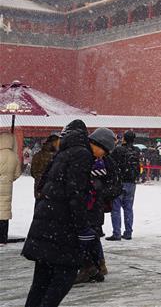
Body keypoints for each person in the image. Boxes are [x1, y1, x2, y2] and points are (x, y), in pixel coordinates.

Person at [22, 120, 93, 307]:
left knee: (40, 282)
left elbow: (43, 185)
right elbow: (76, 195)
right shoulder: (81, 155)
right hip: (63, 229)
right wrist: (82, 228)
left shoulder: (61, 154)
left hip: (46, 224)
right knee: (63, 278)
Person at [74, 127, 120, 284]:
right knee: (90, 236)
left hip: (94, 205)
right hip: (86, 204)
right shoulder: (86, 157)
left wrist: (99, 192)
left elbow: (115, 185)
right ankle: (94, 266)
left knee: (90, 235)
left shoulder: (107, 161)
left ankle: (95, 266)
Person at [107, 130, 141, 241]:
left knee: (116, 209)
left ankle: (116, 233)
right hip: (131, 183)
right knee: (128, 208)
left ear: (124, 138)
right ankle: (128, 232)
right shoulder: (136, 150)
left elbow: (110, 163)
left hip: (119, 182)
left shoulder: (118, 150)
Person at [1, 131, 23, 244]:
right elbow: (17, 174)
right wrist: (8, 179)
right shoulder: (14, 156)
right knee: (4, 211)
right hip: (7, 187)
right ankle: (2, 237)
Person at [29, 134, 59, 199]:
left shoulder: (37, 155)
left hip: (39, 189)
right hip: (52, 189)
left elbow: (33, 173)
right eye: (57, 143)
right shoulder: (57, 157)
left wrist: (39, 177)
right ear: (53, 143)